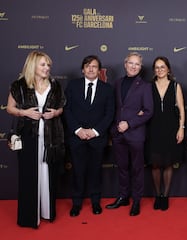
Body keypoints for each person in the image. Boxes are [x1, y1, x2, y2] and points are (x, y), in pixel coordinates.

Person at [6, 51, 66, 228]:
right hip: (28, 136)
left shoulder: (55, 85)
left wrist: (55, 113)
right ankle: (29, 217)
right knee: (29, 175)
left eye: (48, 65)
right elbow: (10, 108)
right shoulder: (19, 85)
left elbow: (61, 107)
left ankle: (47, 212)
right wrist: (25, 112)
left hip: (51, 136)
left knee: (48, 173)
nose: (47, 68)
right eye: (43, 65)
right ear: (33, 65)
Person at [64, 55, 115, 217]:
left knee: (95, 172)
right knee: (77, 171)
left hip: (97, 138)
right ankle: (76, 203)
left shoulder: (107, 89)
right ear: (83, 69)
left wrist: (95, 131)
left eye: (94, 66)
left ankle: (95, 202)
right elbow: (67, 110)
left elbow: (109, 114)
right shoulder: (72, 86)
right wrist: (78, 130)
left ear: (99, 71)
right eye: (87, 66)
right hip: (76, 138)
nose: (91, 69)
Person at [105, 52, 153, 216]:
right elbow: (116, 108)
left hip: (135, 135)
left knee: (137, 169)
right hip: (118, 135)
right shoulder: (118, 83)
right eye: (131, 63)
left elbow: (148, 112)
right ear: (125, 64)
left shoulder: (145, 86)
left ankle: (137, 201)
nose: (133, 66)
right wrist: (115, 128)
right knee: (122, 168)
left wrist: (130, 123)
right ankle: (123, 197)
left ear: (140, 67)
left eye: (137, 64)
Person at [145, 56, 185, 211]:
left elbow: (181, 109)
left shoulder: (175, 86)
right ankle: (157, 195)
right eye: (157, 67)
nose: (159, 70)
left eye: (163, 67)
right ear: (154, 70)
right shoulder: (148, 86)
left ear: (168, 69)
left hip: (171, 129)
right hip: (153, 130)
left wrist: (181, 128)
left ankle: (165, 196)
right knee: (155, 164)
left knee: (168, 163)